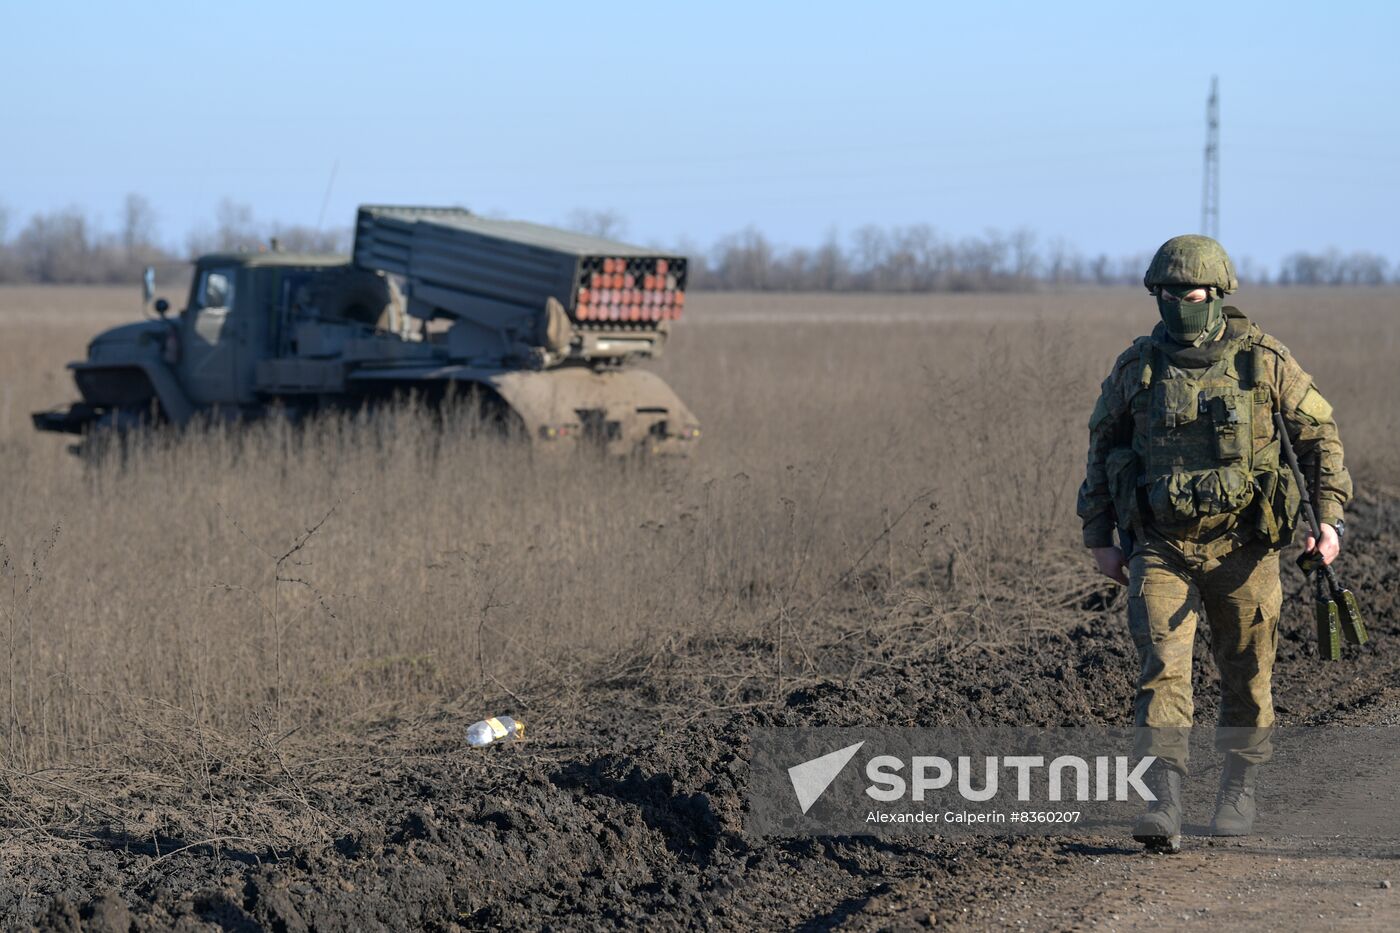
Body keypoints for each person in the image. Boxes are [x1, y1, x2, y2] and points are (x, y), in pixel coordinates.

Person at [1076, 235, 1350, 852]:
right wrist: (1099, 536)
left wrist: (1326, 519)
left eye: (1192, 293)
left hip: (1243, 547)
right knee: (1162, 675)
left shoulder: (1264, 361)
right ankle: (1162, 798)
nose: (1180, 303)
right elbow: (1101, 448)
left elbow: (1320, 439)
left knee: (1247, 675)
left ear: (1218, 294)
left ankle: (1238, 785)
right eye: (1168, 293)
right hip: (1159, 545)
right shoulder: (1137, 367)